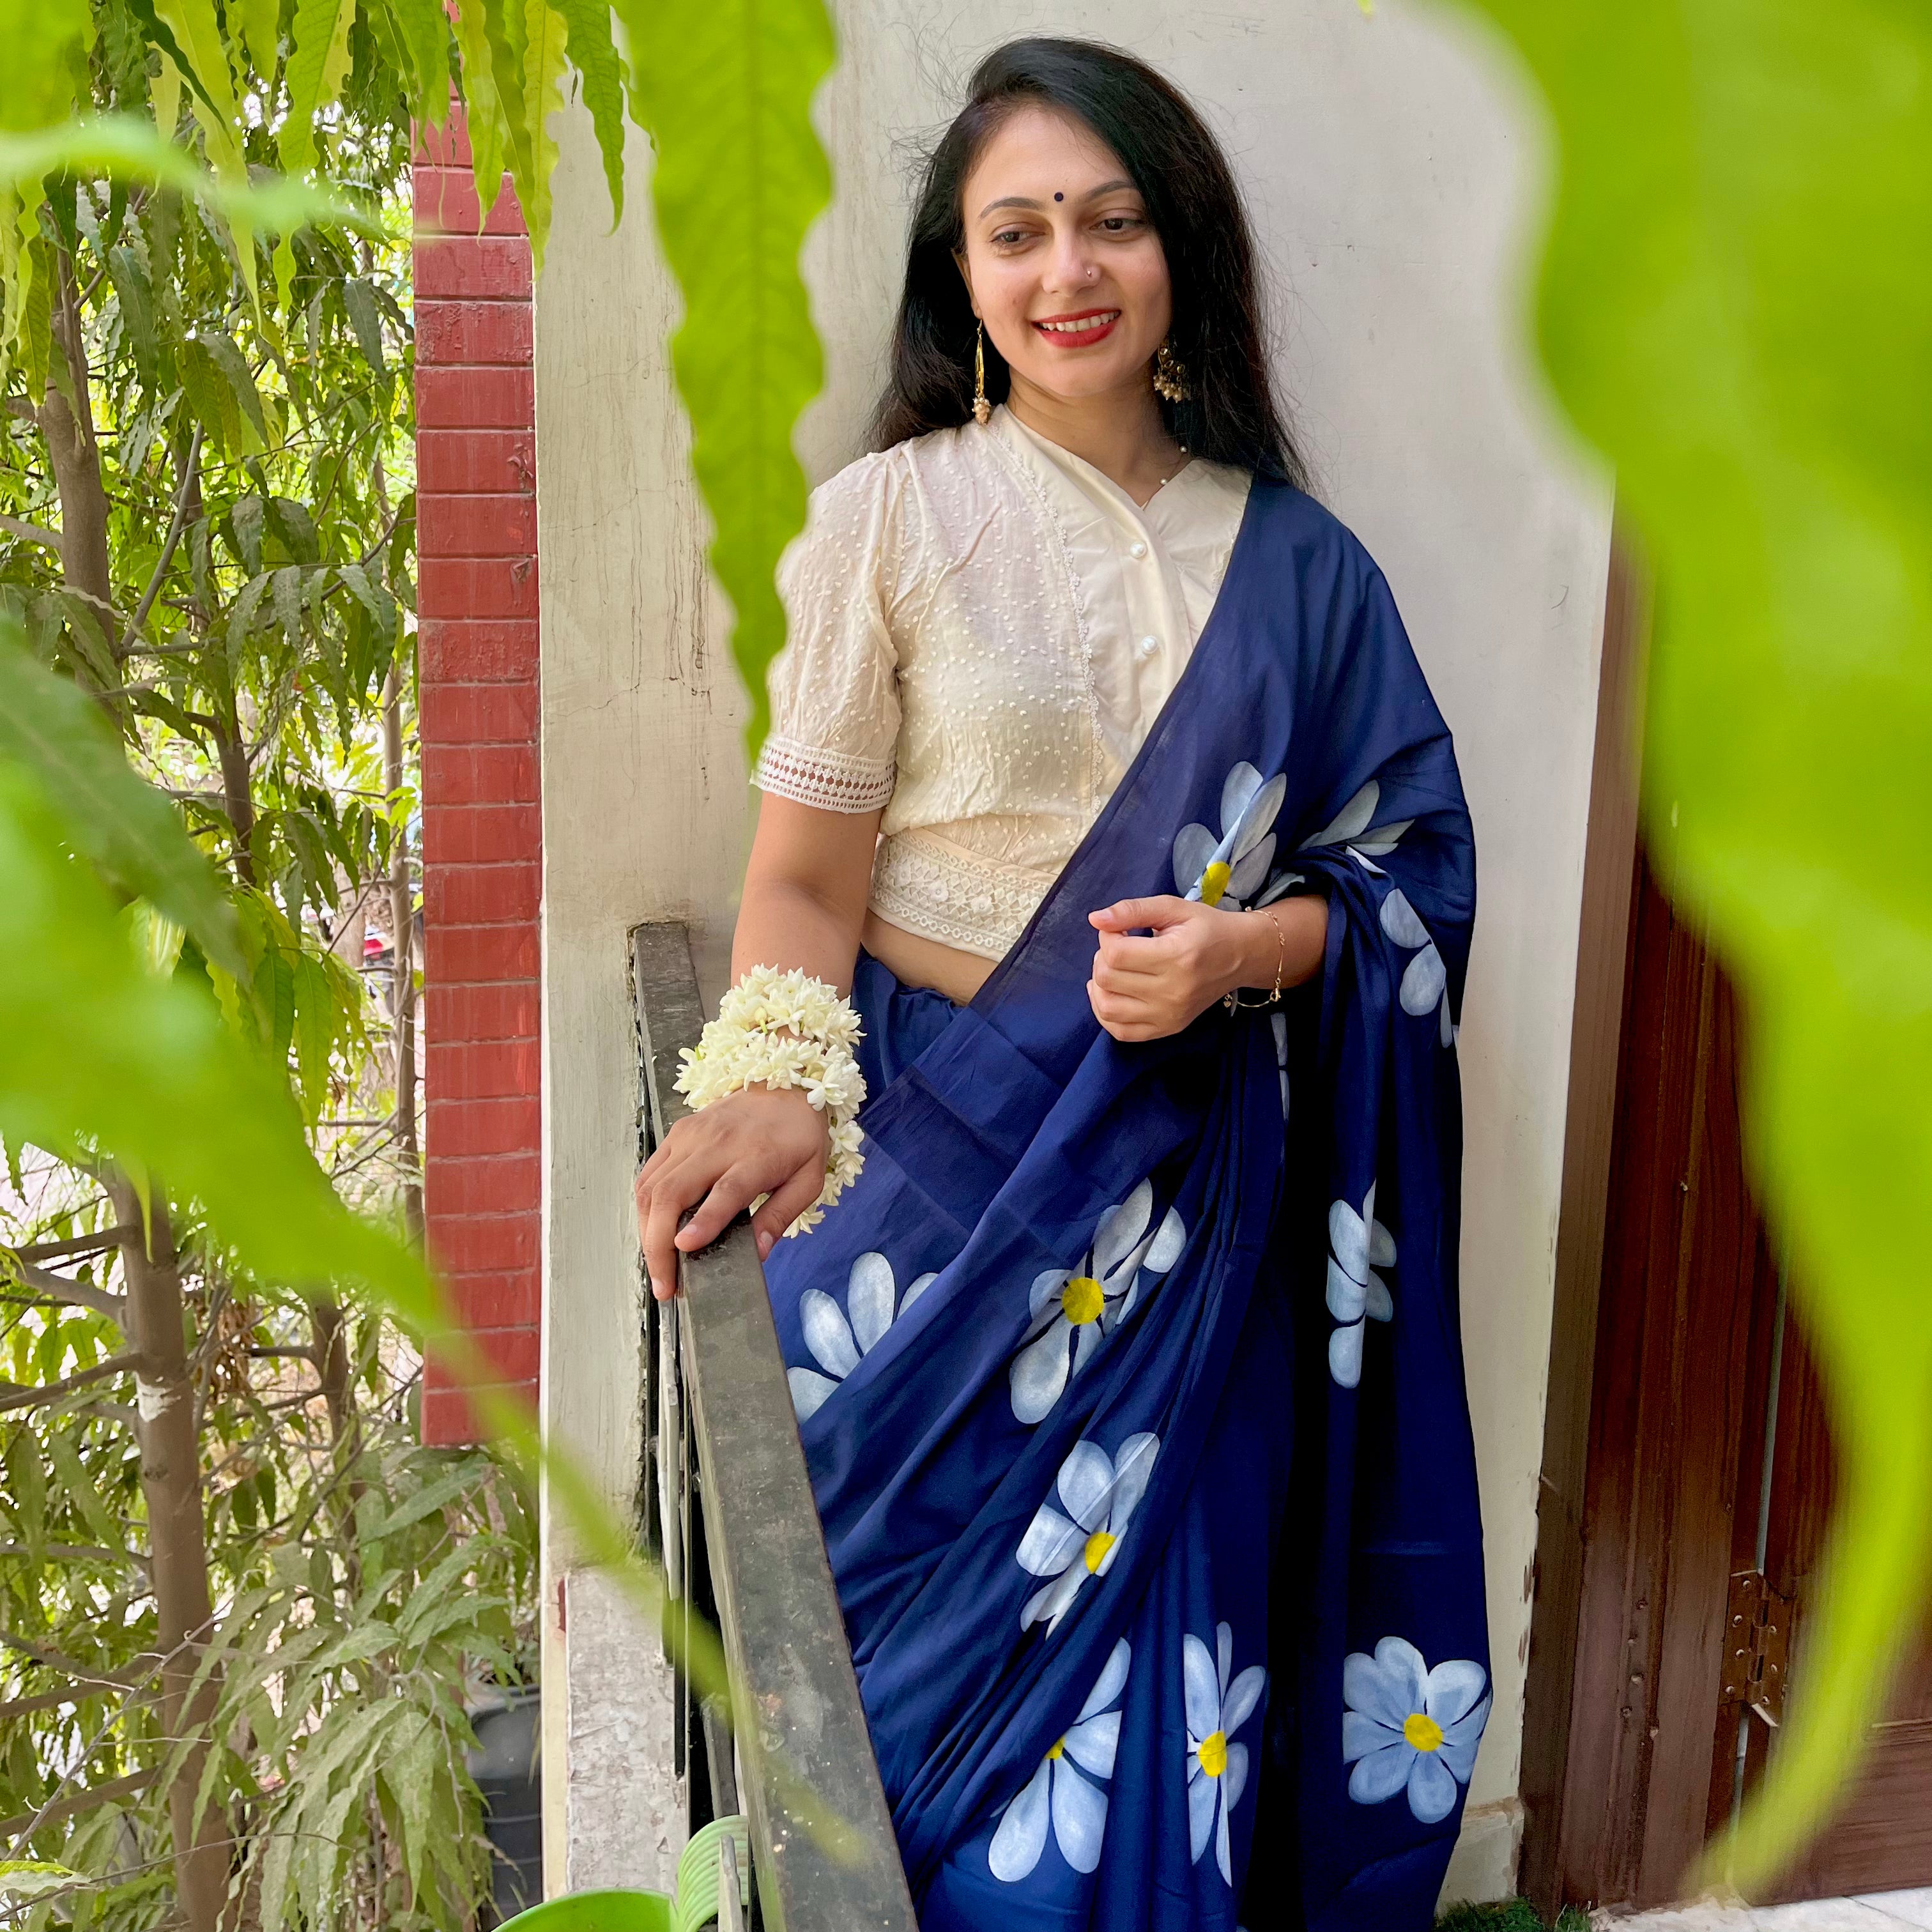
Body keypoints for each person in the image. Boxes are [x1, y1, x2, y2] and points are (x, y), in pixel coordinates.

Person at [635, 37, 1487, 1931]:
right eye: (1015, 232)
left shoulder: (1306, 570)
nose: (1066, 270)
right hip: (934, 1191)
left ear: (1178, 253)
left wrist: (1254, 954)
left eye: (1109, 222)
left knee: (1169, 1713)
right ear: (964, 274)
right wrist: (776, 1075)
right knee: (890, 1740)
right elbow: (802, 870)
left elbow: (1417, 867)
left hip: (1195, 1199)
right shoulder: (891, 520)